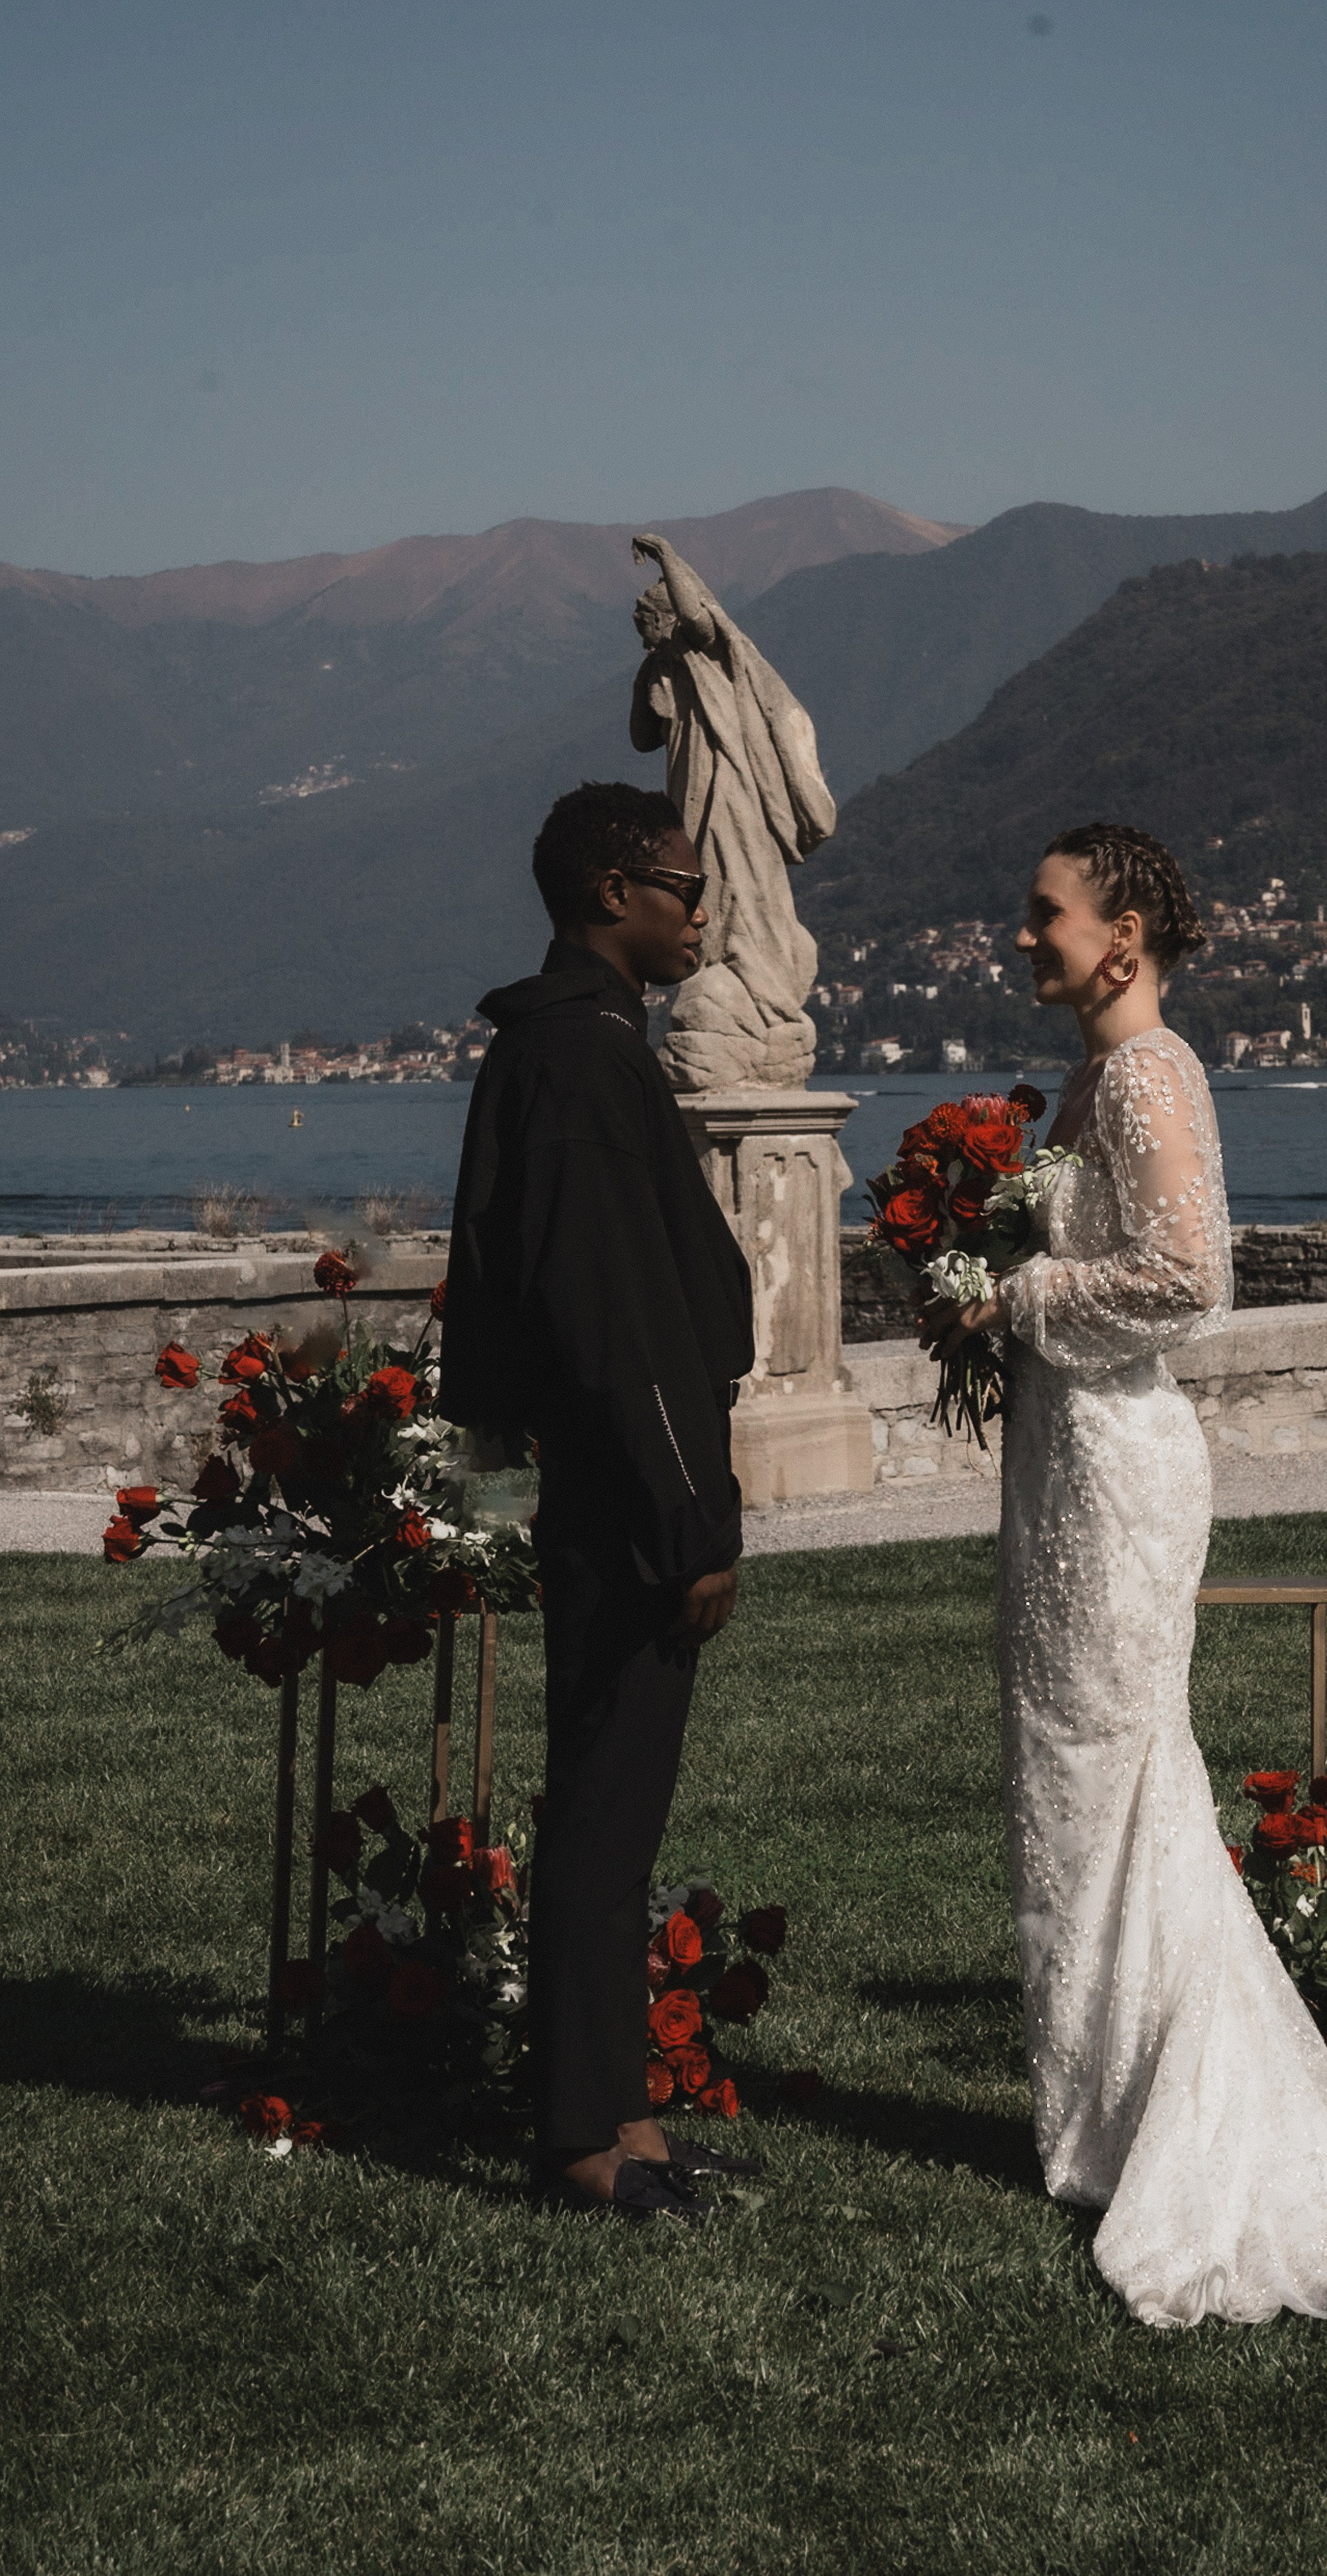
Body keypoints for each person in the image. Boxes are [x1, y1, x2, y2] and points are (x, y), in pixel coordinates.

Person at [930, 822, 1327, 2325]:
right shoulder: (1086, 1081)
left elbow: (1187, 1276)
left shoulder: (1149, 1071)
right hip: (1061, 1460)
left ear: (1121, 934)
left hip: (1120, 1462)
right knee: (1070, 1783)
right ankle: (1100, 2115)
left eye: (1044, 916)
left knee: (1125, 1773)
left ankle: (1179, 2123)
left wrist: (1009, 1290)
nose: (1022, 938)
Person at [440, 782, 760, 2221]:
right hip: (631, 1502)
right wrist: (690, 1518)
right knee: (599, 1815)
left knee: (617, 1816)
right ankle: (579, 2134)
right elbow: (613, 1322)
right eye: (687, 889)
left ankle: (620, 2111)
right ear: (614, 892)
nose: (703, 913)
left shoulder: (566, 1050)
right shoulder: (582, 1064)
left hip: (610, 1487)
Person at [627, 531, 837, 1093]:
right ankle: (729, 982)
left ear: (667, 615)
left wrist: (668, 556)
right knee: (704, 888)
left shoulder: (712, 650)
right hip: (689, 798)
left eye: (647, 622)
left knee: (738, 886)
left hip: (734, 794)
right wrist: (648, 670)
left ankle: (759, 994)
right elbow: (642, 737)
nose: (642, 634)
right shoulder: (667, 669)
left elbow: (698, 619)